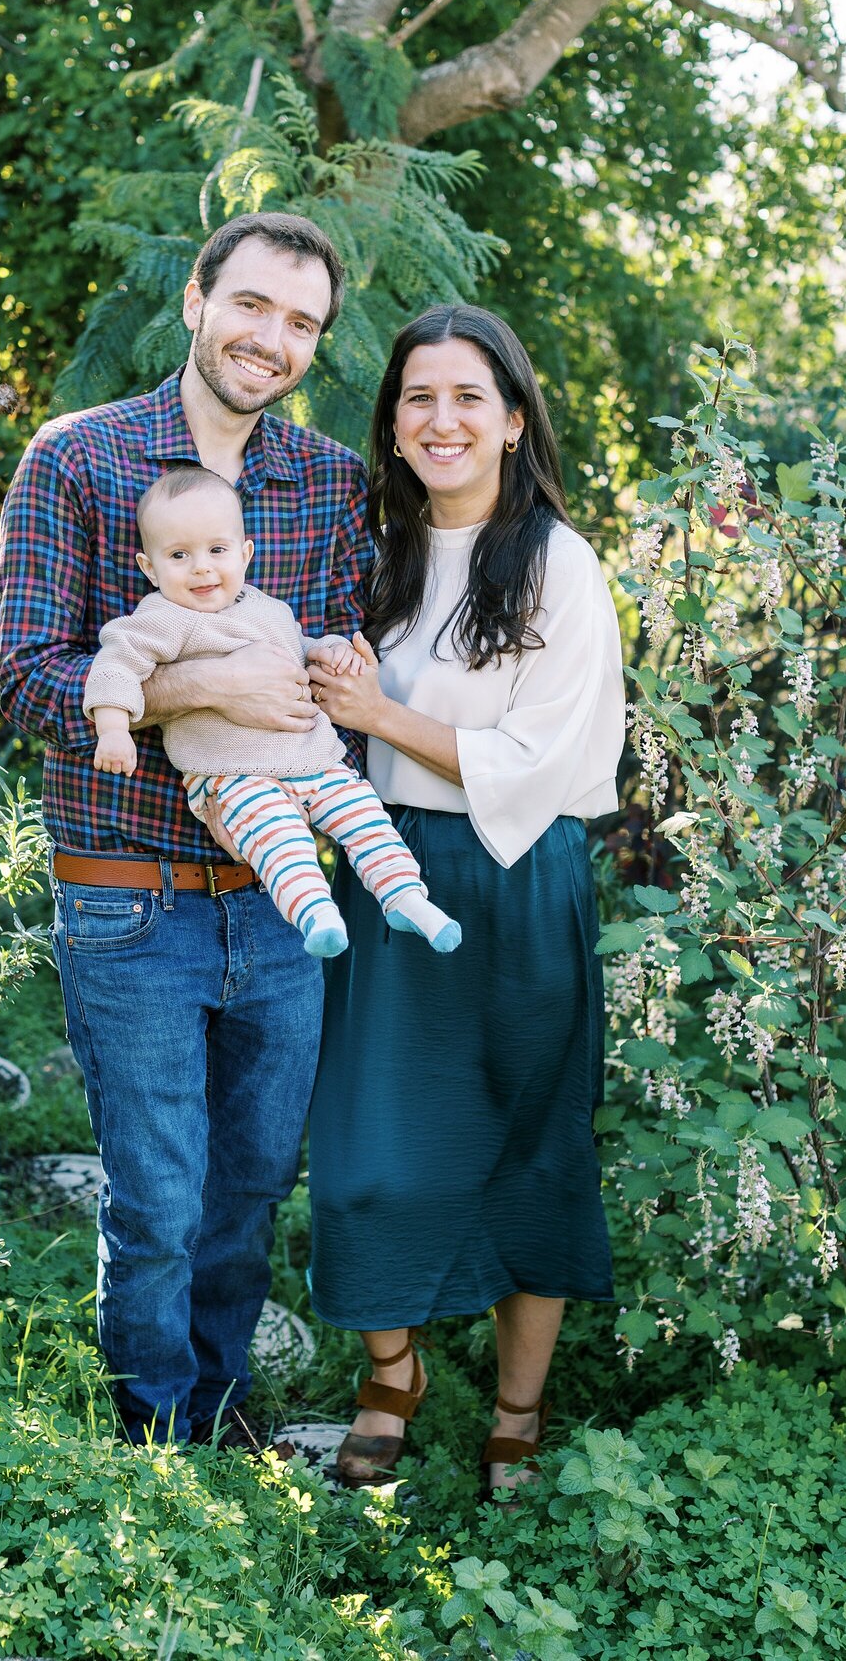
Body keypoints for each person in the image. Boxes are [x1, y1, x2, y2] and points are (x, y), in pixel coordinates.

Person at [0, 212, 372, 1450]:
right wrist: (197, 692)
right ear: (198, 301)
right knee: (158, 1197)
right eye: (253, 305)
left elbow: (325, 683)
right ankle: (150, 1432)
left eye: (302, 322)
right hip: (127, 891)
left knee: (253, 1189)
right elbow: (33, 683)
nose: (273, 339)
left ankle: (219, 1409)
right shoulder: (81, 460)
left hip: (277, 894)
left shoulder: (329, 487)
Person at [305, 304, 625, 1495]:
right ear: (392, 426)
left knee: (528, 1150)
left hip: (517, 881)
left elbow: (546, 762)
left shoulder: (557, 562)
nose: (442, 420)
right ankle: (394, 1370)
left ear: (513, 421)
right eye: (418, 399)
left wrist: (376, 713)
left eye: (467, 399)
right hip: (384, 873)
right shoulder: (369, 552)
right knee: (362, 1153)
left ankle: (519, 1410)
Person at [84, 465, 461, 957]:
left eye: (217, 551)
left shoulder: (267, 608)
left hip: (312, 758)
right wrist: (113, 727)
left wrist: (325, 649)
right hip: (234, 775)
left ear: (245, 554)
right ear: (150, 568)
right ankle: (316, 914)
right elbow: (115, 663)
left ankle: (405, 895)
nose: (201, 567)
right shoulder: (163, 618)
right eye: (179, 555)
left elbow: (293, 646)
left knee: (365, 815)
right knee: (280, 838)